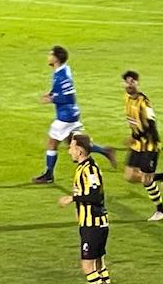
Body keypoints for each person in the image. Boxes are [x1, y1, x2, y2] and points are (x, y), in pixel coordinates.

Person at [33, 46, 116, 184]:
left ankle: (48, 174)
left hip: (65, 116)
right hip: (71, 114)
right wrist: (51, 92)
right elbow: (62, 89)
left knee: (52, 143)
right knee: (75, 141)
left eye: (50, 55)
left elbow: (67, 97)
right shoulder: (63, 70)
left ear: (56, 58)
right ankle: (106, 151)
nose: (48, 57)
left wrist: (51, 99)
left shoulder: (61, 75)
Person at [58, 133, 117, 284]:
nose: (69, 151)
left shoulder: (89, 170)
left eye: (71, 147)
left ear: (80, 149)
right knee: (98, 264)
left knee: (87, 267)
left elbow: (93, 195)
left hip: (93, 225)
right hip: (95, 224)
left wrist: (71, 199)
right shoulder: (85, 167)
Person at [121, 70, 163, 221]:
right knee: (129, 176)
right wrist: (134, 138)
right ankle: (162, 177)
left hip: (150, 146)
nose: (129, 85)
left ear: (137, 83)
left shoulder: (144, 102)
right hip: (137, 144)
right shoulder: (126, 98)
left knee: (146, 180)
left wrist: (134, 136)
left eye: (132, 82)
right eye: (127, 82)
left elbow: (151, 125)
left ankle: (161, 210)